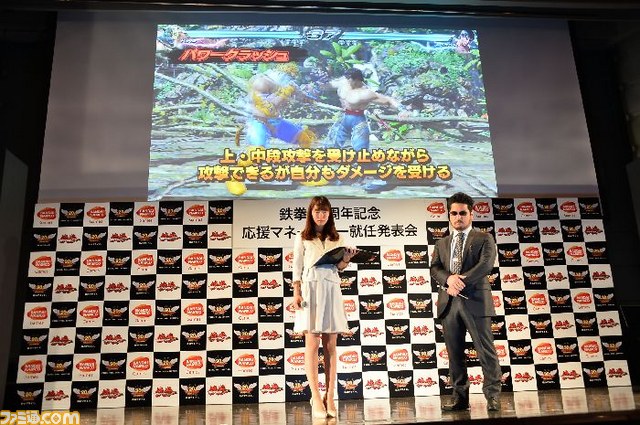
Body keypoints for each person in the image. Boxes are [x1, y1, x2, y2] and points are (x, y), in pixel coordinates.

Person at [430, 192, 502, 412]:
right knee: (455, 355)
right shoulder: (442, 242)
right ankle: (460, 399)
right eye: (454, 213)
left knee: (485, 351)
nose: (458, 217)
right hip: (449, 303)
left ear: (471, 214)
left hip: (475, 301)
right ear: (449, 215)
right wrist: (448, 279)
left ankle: (493, 396)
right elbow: (435, 268)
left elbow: (486, 265)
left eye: (462, 213)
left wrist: (459, 281)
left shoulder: (484, 238)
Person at [292, 196, 357, 419]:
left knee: (330, 345)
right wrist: (296, 292)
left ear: (330, 214)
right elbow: (297, 267)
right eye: (317, 211)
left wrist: (346, 259)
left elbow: (340, 267)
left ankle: (330, 396)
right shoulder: (302, 237)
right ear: (311, 213)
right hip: (310, 290)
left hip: (331, 289)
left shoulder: (338, 238)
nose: (321, 215)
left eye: (325, 212)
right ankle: (316, 397)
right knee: (312, 344)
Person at [326, 68, 409, 193]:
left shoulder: (365, 92)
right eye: (346, 78)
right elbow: (326, 85)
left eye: (349, 79)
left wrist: (402, 109)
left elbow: (388, 100)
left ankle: (378, 178)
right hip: (344, 119)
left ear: (356, 80)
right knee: (331, 146)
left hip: (358, 121)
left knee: (361, 152)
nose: (347, 81)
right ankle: (346, 175)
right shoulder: (343, 83)